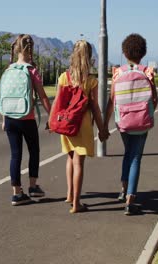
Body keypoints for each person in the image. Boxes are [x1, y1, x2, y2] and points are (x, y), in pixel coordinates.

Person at [50, 40, 109, 213]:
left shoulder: (64, 77)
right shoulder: (91, 81)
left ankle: (69, 194)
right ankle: (76, 204)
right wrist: (102, 129)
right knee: (79, 163)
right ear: (89, 57)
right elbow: (96, 108)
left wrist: (51, 121)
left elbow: (58, 102)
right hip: (82, 126)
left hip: (66, 124)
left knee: (70, 158)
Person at [104, 34, 158, 215]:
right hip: (142, 121)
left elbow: (112, 101)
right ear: (143, 52)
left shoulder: (118, 72)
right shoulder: (147, 72)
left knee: (128, 154)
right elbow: (154, 98)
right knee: (136, 157)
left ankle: (123, 189)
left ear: (124, 52)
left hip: (124, 121)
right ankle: (130, 199)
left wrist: (104, 125)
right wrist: (147, 113)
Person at [2, 34, 51, 206]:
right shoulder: (31, 71)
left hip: (9, 117)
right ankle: (32, 186)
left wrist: (3, 119)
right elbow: (43, 97)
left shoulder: (9, 69)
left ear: (16, 50)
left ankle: (16, 193)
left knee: (15, 155)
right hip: (27, 118)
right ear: (30, 50)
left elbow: (3, 96)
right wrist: (51, 117)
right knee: (34, 151)